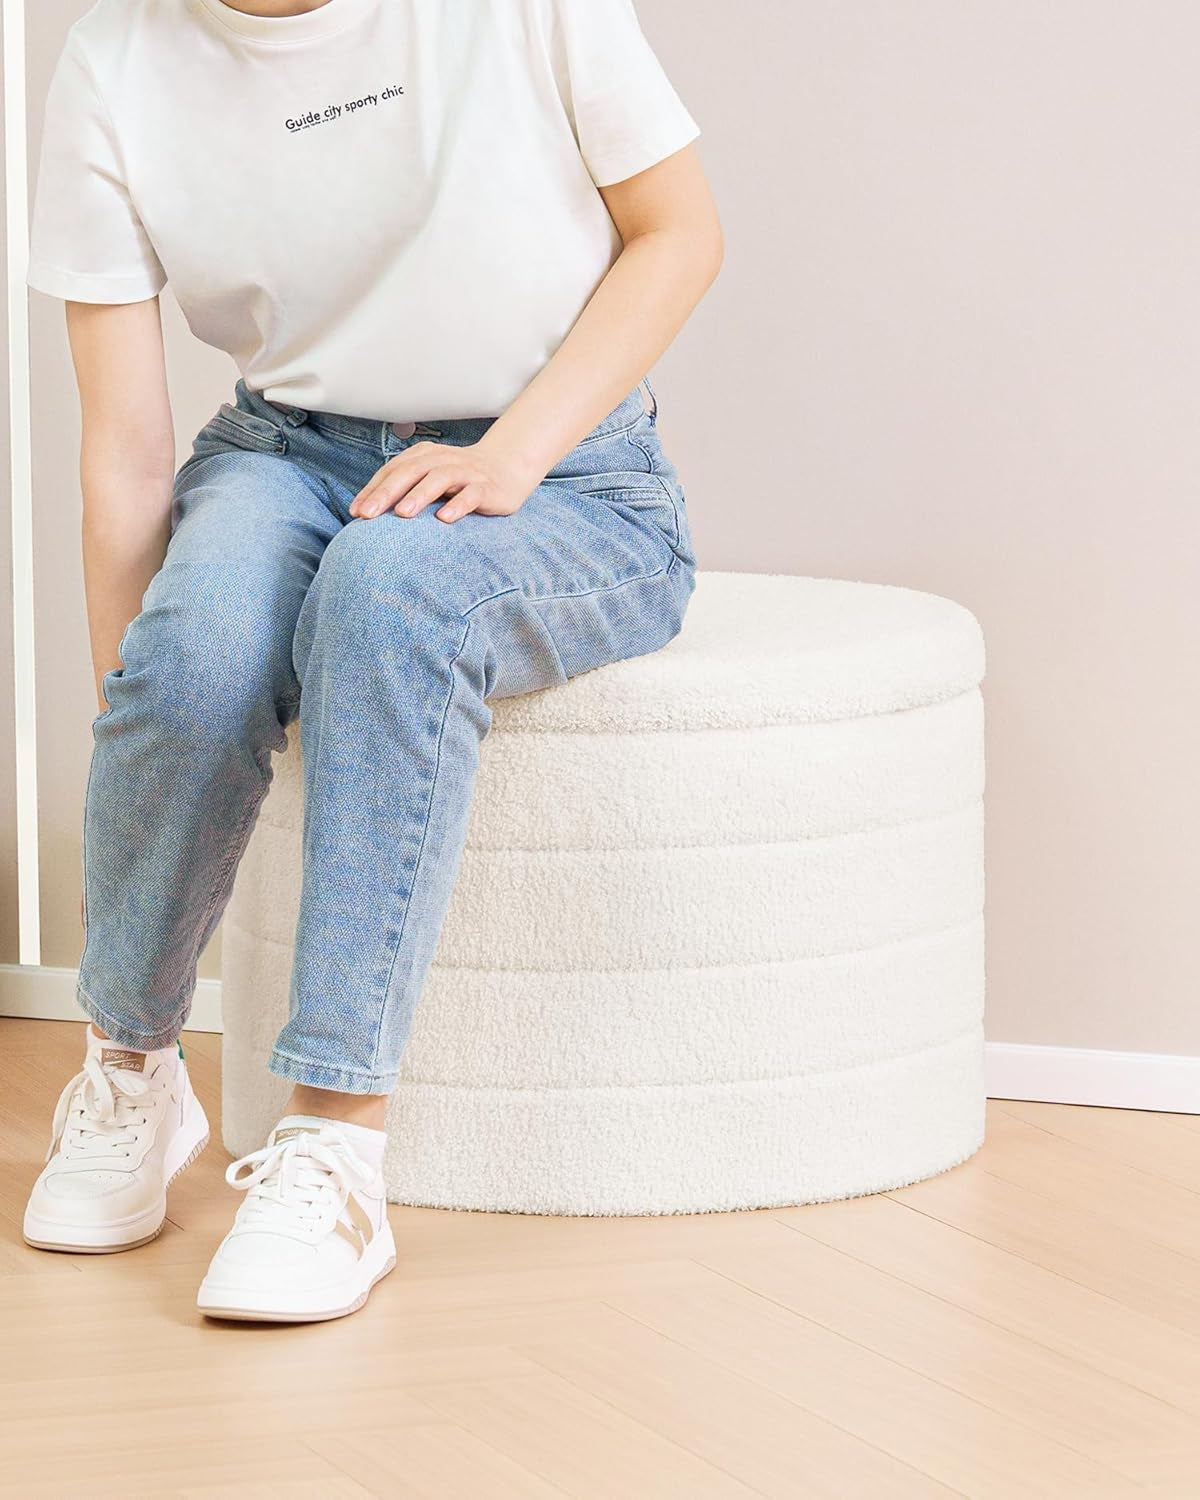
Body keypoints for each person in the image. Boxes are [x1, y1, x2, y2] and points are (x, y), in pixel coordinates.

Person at [21, 0, 721, 1324]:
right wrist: (146, 713)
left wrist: (510, 451)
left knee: (390, 593)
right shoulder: (114, 60)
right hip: (287, 453)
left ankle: (336, 1145)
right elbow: (121, 448)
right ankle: (131, 1069)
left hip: (564, 468)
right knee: (193, 654)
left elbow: (681, 233)